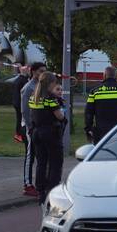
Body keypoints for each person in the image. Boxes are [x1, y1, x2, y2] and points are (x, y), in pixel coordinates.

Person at [28, 72, 66, 205]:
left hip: (36, 133)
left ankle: (41, 191)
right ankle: (52, 191)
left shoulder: (34, 97)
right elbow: (59, 116)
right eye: (54, 83)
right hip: (50, 133)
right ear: (50, 83)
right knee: (56, 163)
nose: (55, 85)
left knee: (41, 163)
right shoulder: (50, 98)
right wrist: (63, 113)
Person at [84, 66, 117, 143]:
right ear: (115, 76)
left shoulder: (95, 91)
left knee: (101, 153)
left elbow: (88, 112)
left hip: (100, 131)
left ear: (104, 75)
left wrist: (88, 129)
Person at [19, 62, 46, 197]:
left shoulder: (41, 86)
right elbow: (24, 109)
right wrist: (30, 127)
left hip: (40, 125)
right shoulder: (29, 88)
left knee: (39, 154)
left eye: (44, 71)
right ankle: (27, 184)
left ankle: (40, 182)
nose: (43, 74)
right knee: (30, 154)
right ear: (33, 71)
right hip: (31, 127)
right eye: (40, 71)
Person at [12, 65, 29, 144]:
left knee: (19, 118)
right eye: (26, 69)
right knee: (21, 119)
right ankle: (20, 135)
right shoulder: (24, 80)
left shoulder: (17, 80)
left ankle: (18, 134)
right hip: (20, 103)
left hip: (16, 102)